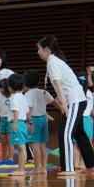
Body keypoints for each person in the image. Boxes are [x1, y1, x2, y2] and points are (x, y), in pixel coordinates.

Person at [37, 35, 94, 175]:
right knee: (80, 134)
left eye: (39, 49)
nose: (37, 52)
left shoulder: (52, 62)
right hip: (77, 100)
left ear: (46, 49)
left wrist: (64, 104)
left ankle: (68, 168)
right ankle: (91, 165)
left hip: (74, 100)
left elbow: (58, 84)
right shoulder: (55, 61)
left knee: (65, 133)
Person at [24, 70, 58, 174]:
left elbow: (28, 110)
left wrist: (29, 123)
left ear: (25, 83)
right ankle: (43, 168)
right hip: (44, 120)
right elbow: (54, 102)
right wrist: (62, 109)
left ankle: (37, 169)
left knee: (35, 146)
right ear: (38, 82)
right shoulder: (44, 92)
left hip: (34, 120)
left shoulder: (27, 94)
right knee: (43, 146)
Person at [6, 74, 30, 177]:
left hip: (17, 123)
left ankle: (21, 170)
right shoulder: (23, 96)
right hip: (22, 123)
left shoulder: (14, 97)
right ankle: (21, 169)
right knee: (21, 147)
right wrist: (29, 122)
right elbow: (27, 111)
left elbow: (16, 110)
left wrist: (15, 122)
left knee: (21, 147)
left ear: (10, 87)